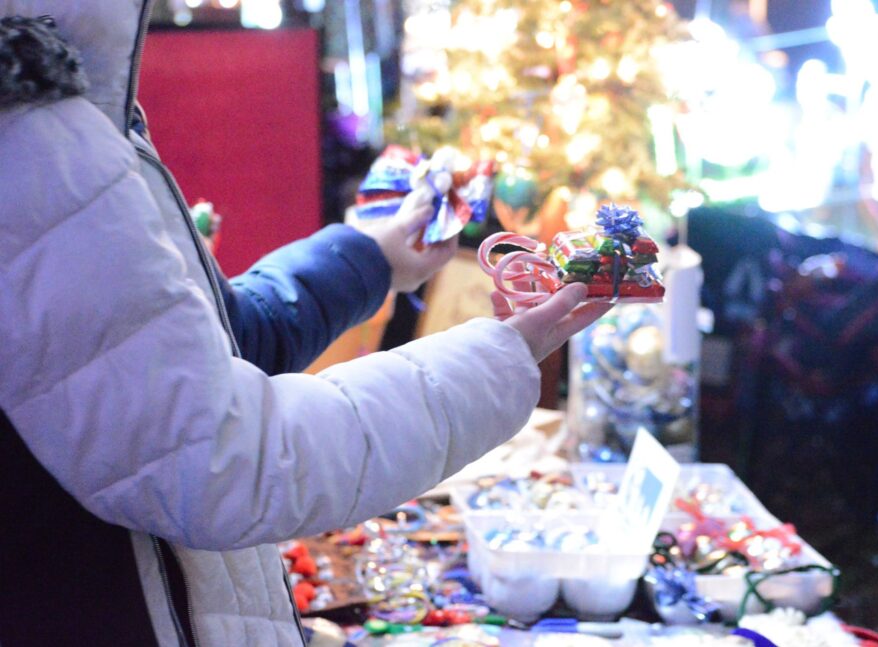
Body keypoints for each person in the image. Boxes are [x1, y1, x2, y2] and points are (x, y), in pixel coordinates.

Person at [0, 6, 611, 646]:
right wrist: (500, 357)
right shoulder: (31, 129)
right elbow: (218, 461)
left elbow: (209, 342)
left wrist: (371, 256)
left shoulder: (71, 103)